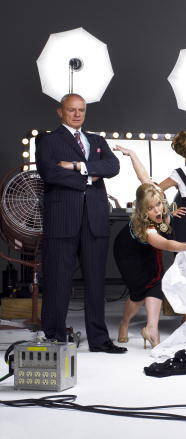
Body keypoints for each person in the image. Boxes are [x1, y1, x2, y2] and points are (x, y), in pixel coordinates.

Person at [36, 93, 125, 353]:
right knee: (57, 281)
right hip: (62, 219)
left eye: (81, 110)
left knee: (96, 283)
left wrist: (76, 166)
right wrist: (89, 177)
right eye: (71, 110)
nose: (77, 114)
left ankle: (99, 340)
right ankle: (54, 337)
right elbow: (49, 172)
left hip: (94, 219)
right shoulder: (48, 140)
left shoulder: (97, 140)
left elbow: (113, 166)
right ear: (60, 112)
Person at [112, 146, 186, 349]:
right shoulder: (147, 228)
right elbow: (166, 244)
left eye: (158, 204)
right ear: (142, 210)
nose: (157, 209)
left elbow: (143, 177)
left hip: (148, 250)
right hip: (128, 252)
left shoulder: (157, 199)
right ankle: (125, 323)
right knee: (138, 294)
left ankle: (152, 329)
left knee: (156, 283)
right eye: (150, 208)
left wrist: (133, 154)